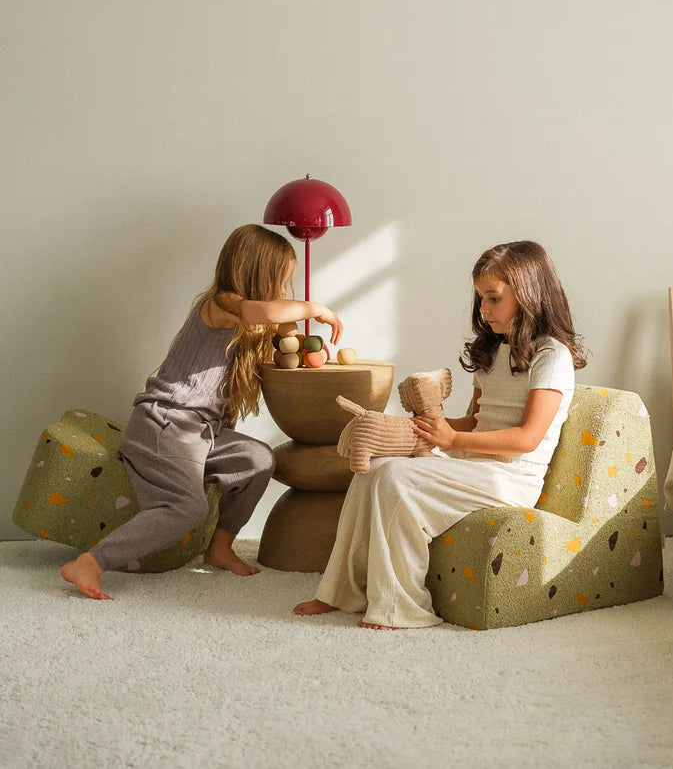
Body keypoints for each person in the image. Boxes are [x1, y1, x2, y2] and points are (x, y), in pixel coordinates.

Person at [295, 240, 586, 629]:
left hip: (510, 477)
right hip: (472, 465)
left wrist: (453, 441)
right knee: (377, 467)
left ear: (528, 294)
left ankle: (401, 605)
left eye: (493, 299)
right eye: (481, 298)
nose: (483, 310)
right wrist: (429, 429)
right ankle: (340, 590)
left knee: (397, 478)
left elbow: (527, 438)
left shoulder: (551, 356)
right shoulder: (495, 350)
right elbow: (476, 421)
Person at [62, 224, 343, 600]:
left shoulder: (252, 322)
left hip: (200, 432)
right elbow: (265, 310)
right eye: (280, 280)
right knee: (186, 509)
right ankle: (92, 562)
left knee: (258, 459)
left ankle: (220, 548)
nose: (282, 291)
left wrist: (298, 340)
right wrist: (315, 309)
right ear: (257, 274)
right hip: (165, 423)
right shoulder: (221, 304)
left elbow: (277, 328)